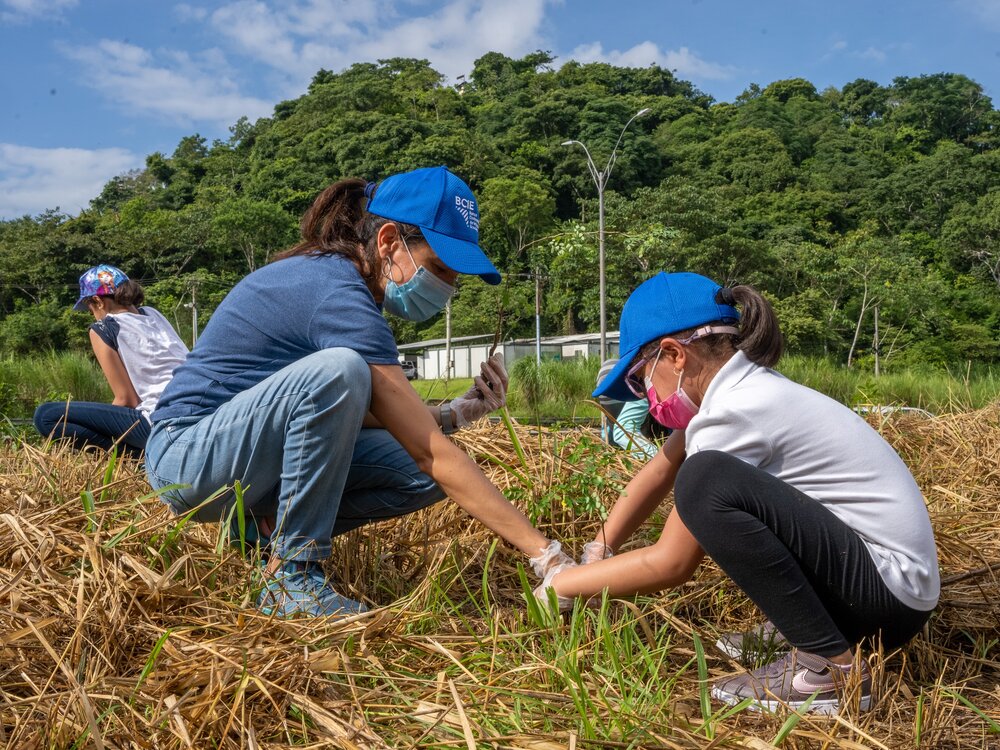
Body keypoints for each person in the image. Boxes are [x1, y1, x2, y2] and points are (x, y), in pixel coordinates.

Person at [145, 166, 574, 618]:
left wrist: (456, 414)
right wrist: (544, 554)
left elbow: (352, 416)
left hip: (243, 459)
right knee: (342, 371)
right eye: (439, 268)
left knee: (416, 474)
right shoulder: (335, 292)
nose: (447, 288)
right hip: (186, 458)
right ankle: (291, 576)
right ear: (388, 241)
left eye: (454, 278)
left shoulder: (353, 289)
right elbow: (429, 449)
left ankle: (260, 532)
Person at [538, 272, 939, 714]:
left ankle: (828, 668)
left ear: (673, 355)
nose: (647, 398)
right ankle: (810, 633)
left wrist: (566, 584)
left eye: (640, 381)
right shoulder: (742, 392)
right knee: (696, 469)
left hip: (882, 594)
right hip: (882, 589)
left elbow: (671, 562)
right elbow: (658, 470)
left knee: (704, 479)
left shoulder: (736, 411)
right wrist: (600, 545)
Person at [33, 265, 188, 458]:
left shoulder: (104, 327)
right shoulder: (152, 314)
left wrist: (104, 430)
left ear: (98, 301)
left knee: (46, 417)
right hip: (198, 409)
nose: (93, 315)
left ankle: (139, 458)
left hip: (161, 421)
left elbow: (126, 399)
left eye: (90, 309)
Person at [595, 358, 661, 459]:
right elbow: (624, 431)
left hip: (611, 383)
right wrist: (663, 463)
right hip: (622, 385)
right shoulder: (639, 393)